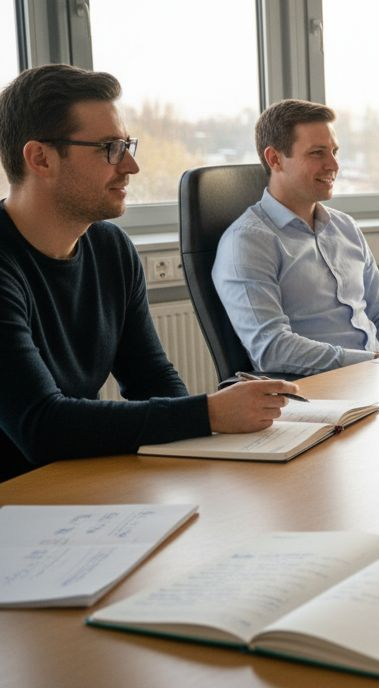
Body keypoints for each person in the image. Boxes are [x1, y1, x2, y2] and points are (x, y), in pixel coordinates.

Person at [0, 65, 296, 482]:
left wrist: (203, 449)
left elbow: (151, 378)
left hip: (77, 484)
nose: (131, 166)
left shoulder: (111, 249)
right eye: (109, 148)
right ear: (40, 158)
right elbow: (40, 426)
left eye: (127, 145)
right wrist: (209, 413)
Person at [214, 100, 379, 375]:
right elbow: (272, 348)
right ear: (275, 159)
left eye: (334, 151)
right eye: (317, 153)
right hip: (318, 395)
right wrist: (374, 360)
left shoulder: (345, 227)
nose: (334, 165)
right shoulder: (247, 243)